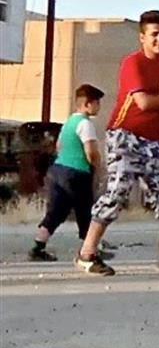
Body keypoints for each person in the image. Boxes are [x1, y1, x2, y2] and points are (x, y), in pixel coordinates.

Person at [76, 11, 159, 276]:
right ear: (142, 37)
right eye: (154, 34)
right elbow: (144, 102)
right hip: (125, 135)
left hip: (155, 138)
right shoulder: (133, 63)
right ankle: (87, 253)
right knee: (117, 192)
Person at [30, 84, 106, 261]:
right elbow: (91, 152)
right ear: (87, 104)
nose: (99, 107)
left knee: (56, 212)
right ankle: (90, 248)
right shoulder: (85, 124)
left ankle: (38, 247)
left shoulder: (69, 122)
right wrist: (97, 169)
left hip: (57, 170)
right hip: (77, 173)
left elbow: (59, 146)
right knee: (85, 211)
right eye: (97, 103)